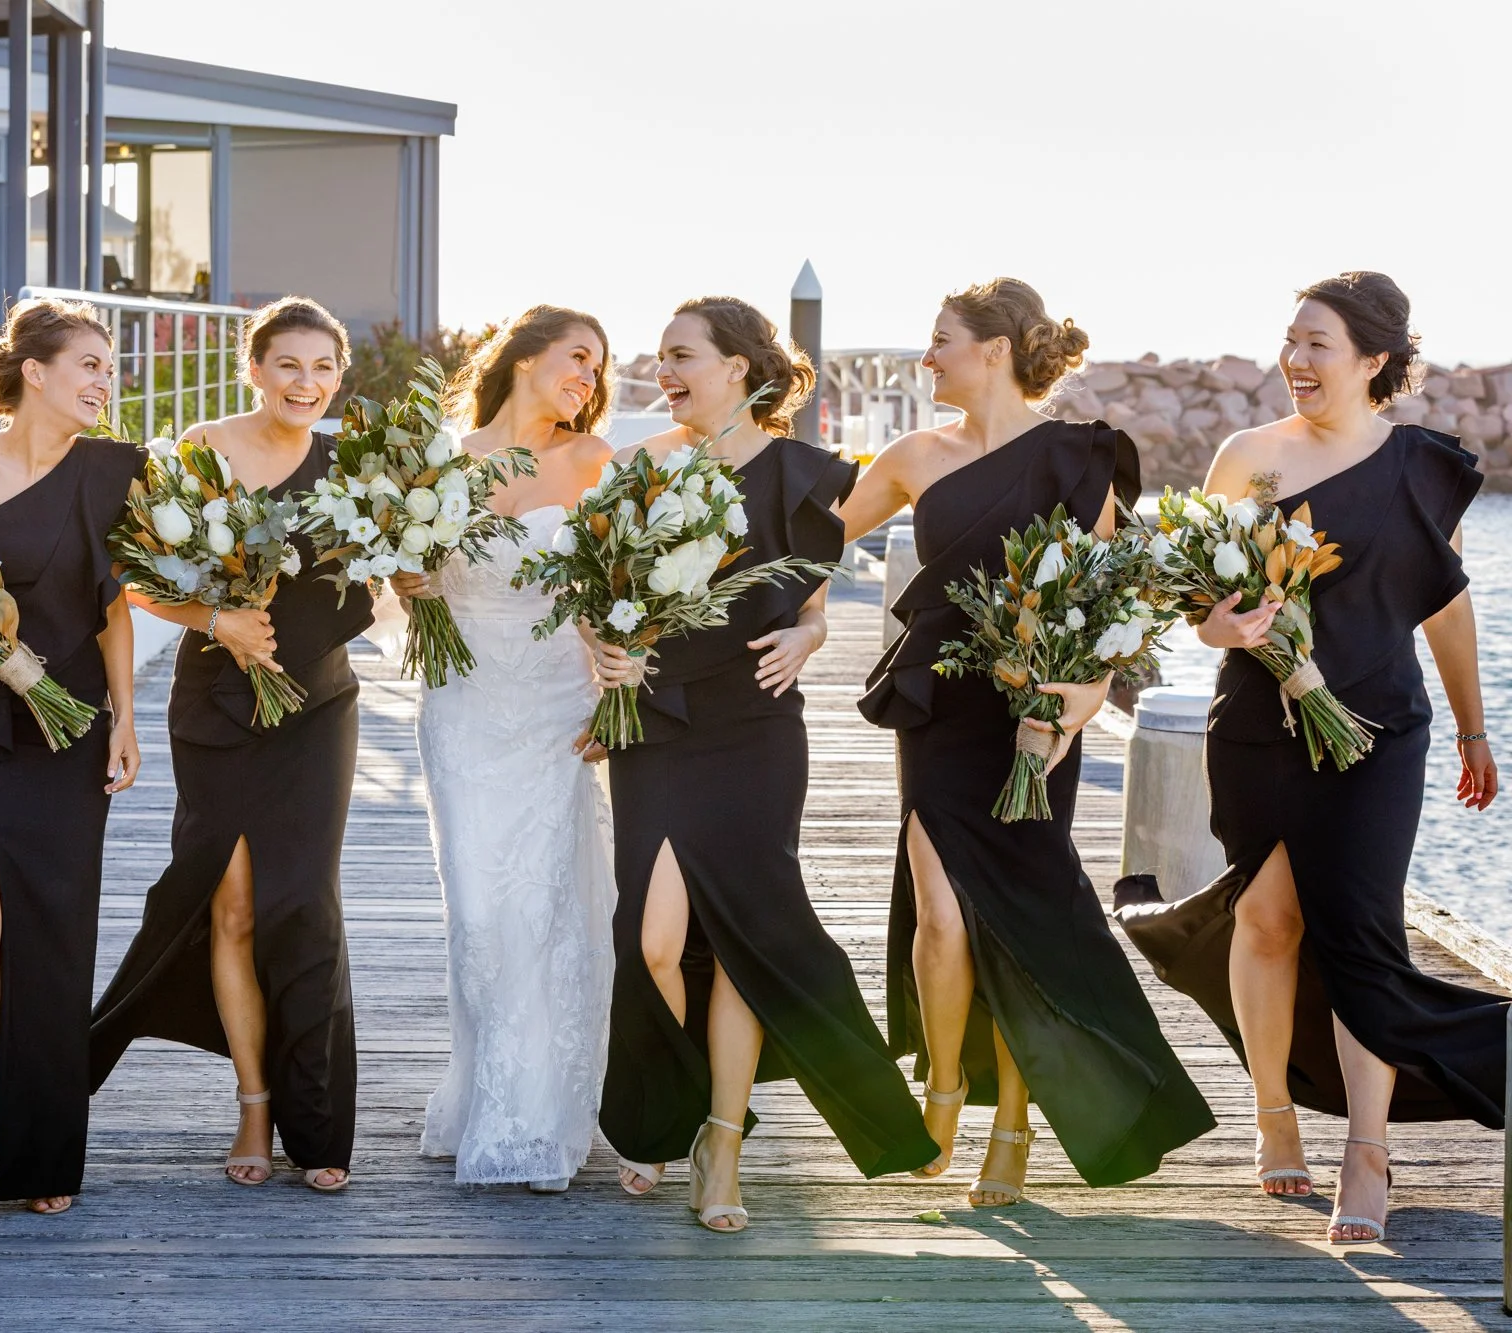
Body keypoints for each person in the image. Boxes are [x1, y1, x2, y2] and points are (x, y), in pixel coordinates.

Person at [1118, 271, 1501, 1244]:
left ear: (1373, 360)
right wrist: (1223, 628)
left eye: (1316, 342)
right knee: (1264, 914)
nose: (1293, 359)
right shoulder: (1244, 457)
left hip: (1376, 729)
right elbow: (1194, 610)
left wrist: (1470, 727)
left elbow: (1443, 605)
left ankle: (1364, 1155)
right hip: (1251, 723)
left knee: (1359, 934)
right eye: (1288, 340)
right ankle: (1272, 1117)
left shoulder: (1420, 467)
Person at [846, 277, 1214, 1207]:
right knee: (938, 914)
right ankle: (943, 1087)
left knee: (1018, 922)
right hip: (939, 704)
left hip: (1035, 717)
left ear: (996, 349)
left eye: (940, 340)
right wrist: (792, 620)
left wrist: (1085, 695)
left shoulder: (1077, 459)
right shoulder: (911, 454)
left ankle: (1012, 1125)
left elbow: (1116, 597)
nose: (927, 359)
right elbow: (805, 543)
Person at [600, 296, 938, 1233]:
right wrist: (607, 653)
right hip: (658, 724)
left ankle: (720, 1142)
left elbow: (813, 602)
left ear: (741, 368)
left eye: (682, 357)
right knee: (654, 940)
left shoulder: (809, 475)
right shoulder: (639, 469)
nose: (663, 373)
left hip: (754, 729)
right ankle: (681, 1099)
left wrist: (814, 635)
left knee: (747, 937)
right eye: (659, 359)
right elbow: (600, 598)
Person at [90, 297, 368, 1192]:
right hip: (215, 702)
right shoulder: (197, 450)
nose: (308, 384)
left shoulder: (355, 463)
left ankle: (317, 1122)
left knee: (306, 905)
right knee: (233, 906)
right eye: (289, 364)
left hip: (317, 707)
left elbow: (390, 569)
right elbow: (129, 575)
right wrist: (217, 618)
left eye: (324, 368)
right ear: (256, 369)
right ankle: (254, 1104)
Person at [0, 298, 144, 1218]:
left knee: (53, 929)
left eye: (108, 367)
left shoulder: (118, 470)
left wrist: (123, 717)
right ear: (35, 371)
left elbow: (114, 608)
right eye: (88, 363)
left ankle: (44, 1139)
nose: (103, 381)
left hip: (69, 723)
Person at [391, 306, 625, 1192]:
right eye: (576, 357)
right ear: (524, 358)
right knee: (481, 908)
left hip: (560, 701)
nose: (588, 378)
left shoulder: (594, 462)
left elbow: (616, 587)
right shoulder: (439, 459)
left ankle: (537, 1116)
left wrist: (616, 691)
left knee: (553, 904)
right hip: (465, 701)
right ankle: (487, 1089)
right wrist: (407, 580)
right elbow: (408, 581)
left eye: (597, 368)